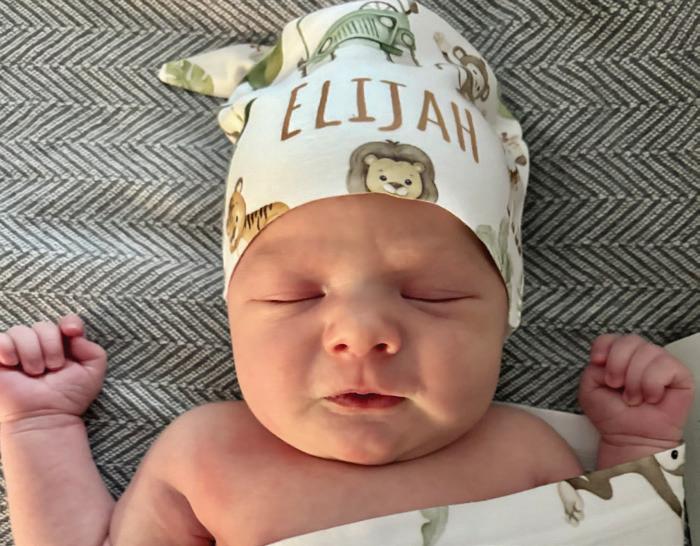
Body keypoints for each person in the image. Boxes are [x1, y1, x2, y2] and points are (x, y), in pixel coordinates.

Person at [0, 1, 695, 545]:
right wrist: (39, 431)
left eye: (432, 295)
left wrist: (635, 451)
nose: (360, 334)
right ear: (232, 309)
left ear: (505, 313)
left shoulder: (525, 455)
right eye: (295, 295)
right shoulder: (207, 456)